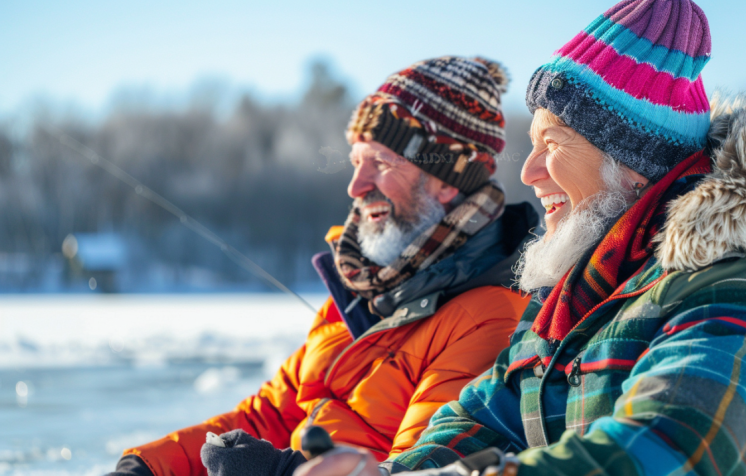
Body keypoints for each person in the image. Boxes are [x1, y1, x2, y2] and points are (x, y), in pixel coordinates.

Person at [295, 1, 746, 475]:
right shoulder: (576, 293)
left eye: (552, 143)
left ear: (632, 165)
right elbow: (484, 419)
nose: (528, 172)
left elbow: (669, 449)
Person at [109, 56, 538, 476]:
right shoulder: (363, 292)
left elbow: (421, 468)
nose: (356, 185)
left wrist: (283, 470)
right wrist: (145, 467)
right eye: (356, 163)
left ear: (447, 180)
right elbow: (265, 419)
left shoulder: (490, 317)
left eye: (381, 163)